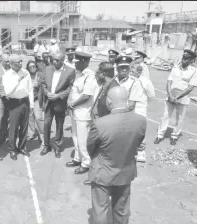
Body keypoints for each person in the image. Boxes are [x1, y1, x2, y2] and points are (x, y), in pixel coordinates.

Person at [87, 86, 146, 224]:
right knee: (122, 209)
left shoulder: (100, 123)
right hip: (125, 170)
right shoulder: (141, 121)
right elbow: (138, 142)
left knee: (100, 209)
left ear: (109, 101)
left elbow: (90, 147)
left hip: (102, 171)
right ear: (126, 101)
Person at [154, 49, 197, 145]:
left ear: (191, 60)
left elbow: (190, 88)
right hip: (170, 96)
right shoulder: (175, 68)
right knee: (165, 116)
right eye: (183, 57)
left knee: (180, 118)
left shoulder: (194, 71)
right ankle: (160, 135)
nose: (184, 60)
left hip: (183, 98)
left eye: (187, 59)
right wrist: (170, 95)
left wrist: (177, 96)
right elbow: (169, 82)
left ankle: (174, 136)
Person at [66, 49, 98, 175]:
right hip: (75, 112)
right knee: (75, 136)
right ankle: (77, 158)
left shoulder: (89, 76)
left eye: (77, 62)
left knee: (83, 139)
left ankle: (86, 163)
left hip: (83, 113)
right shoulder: (79, 74)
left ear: (84, 62)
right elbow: (74, 91)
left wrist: (72, 104)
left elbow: (86, 96)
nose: (75, 64)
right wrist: (69, 101)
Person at [40, 52, 75, 158]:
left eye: (57, 60)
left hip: (60, 102)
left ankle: (57, 147)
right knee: (46, 124)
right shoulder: (47, 69)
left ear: (63, 60)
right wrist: (46, 93)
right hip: (48, 102)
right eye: (53, 60)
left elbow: (70, 87)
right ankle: (46, 145)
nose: (54, 62)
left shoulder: (70, 71)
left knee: (59, 126)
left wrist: (59, 96)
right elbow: (43, 84)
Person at [3, 54, 34, 160]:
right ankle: (12, 149)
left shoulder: (26, 72)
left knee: (24, 127)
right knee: (13, 127)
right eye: (18, 62)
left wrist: (31, 104)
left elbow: (30, 89)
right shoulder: (7, 75)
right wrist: (18, 80)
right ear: (11, 64)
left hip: (25, 102)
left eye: (21, 61)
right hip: (14, 103)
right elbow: (8, 91)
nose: (21, 63)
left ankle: (22, 147)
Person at [130, 63, 155, 163]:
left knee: (139, 131)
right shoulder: (128, 80)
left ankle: (141, 152)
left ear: (139, 72)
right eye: (130, 71)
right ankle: (131, 150)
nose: (130, 73)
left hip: (140, 110)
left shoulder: (145, 82)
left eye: (132, 72)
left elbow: (151, 96)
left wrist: (142, 101)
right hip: (129, 109)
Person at [0, 54, 11, 149]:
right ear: (1, 61)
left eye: (9, 61)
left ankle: (5, 136)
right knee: (0, 118)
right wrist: (2, 96)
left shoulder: (12, 68)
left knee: (8, 118)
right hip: (1, 98)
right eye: (6, 62)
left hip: (11, 97)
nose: (8, 63)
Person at [26, 60, 45, 145]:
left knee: (38, 117)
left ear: (36, 67)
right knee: (30, 117)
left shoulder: (40, 75)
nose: (32, 68)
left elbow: (45, 86)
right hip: (28, 99)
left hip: (37, 99)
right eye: (30, 67)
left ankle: (42, 134)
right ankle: (32, 133)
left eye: (33, 66)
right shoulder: (26, 75)